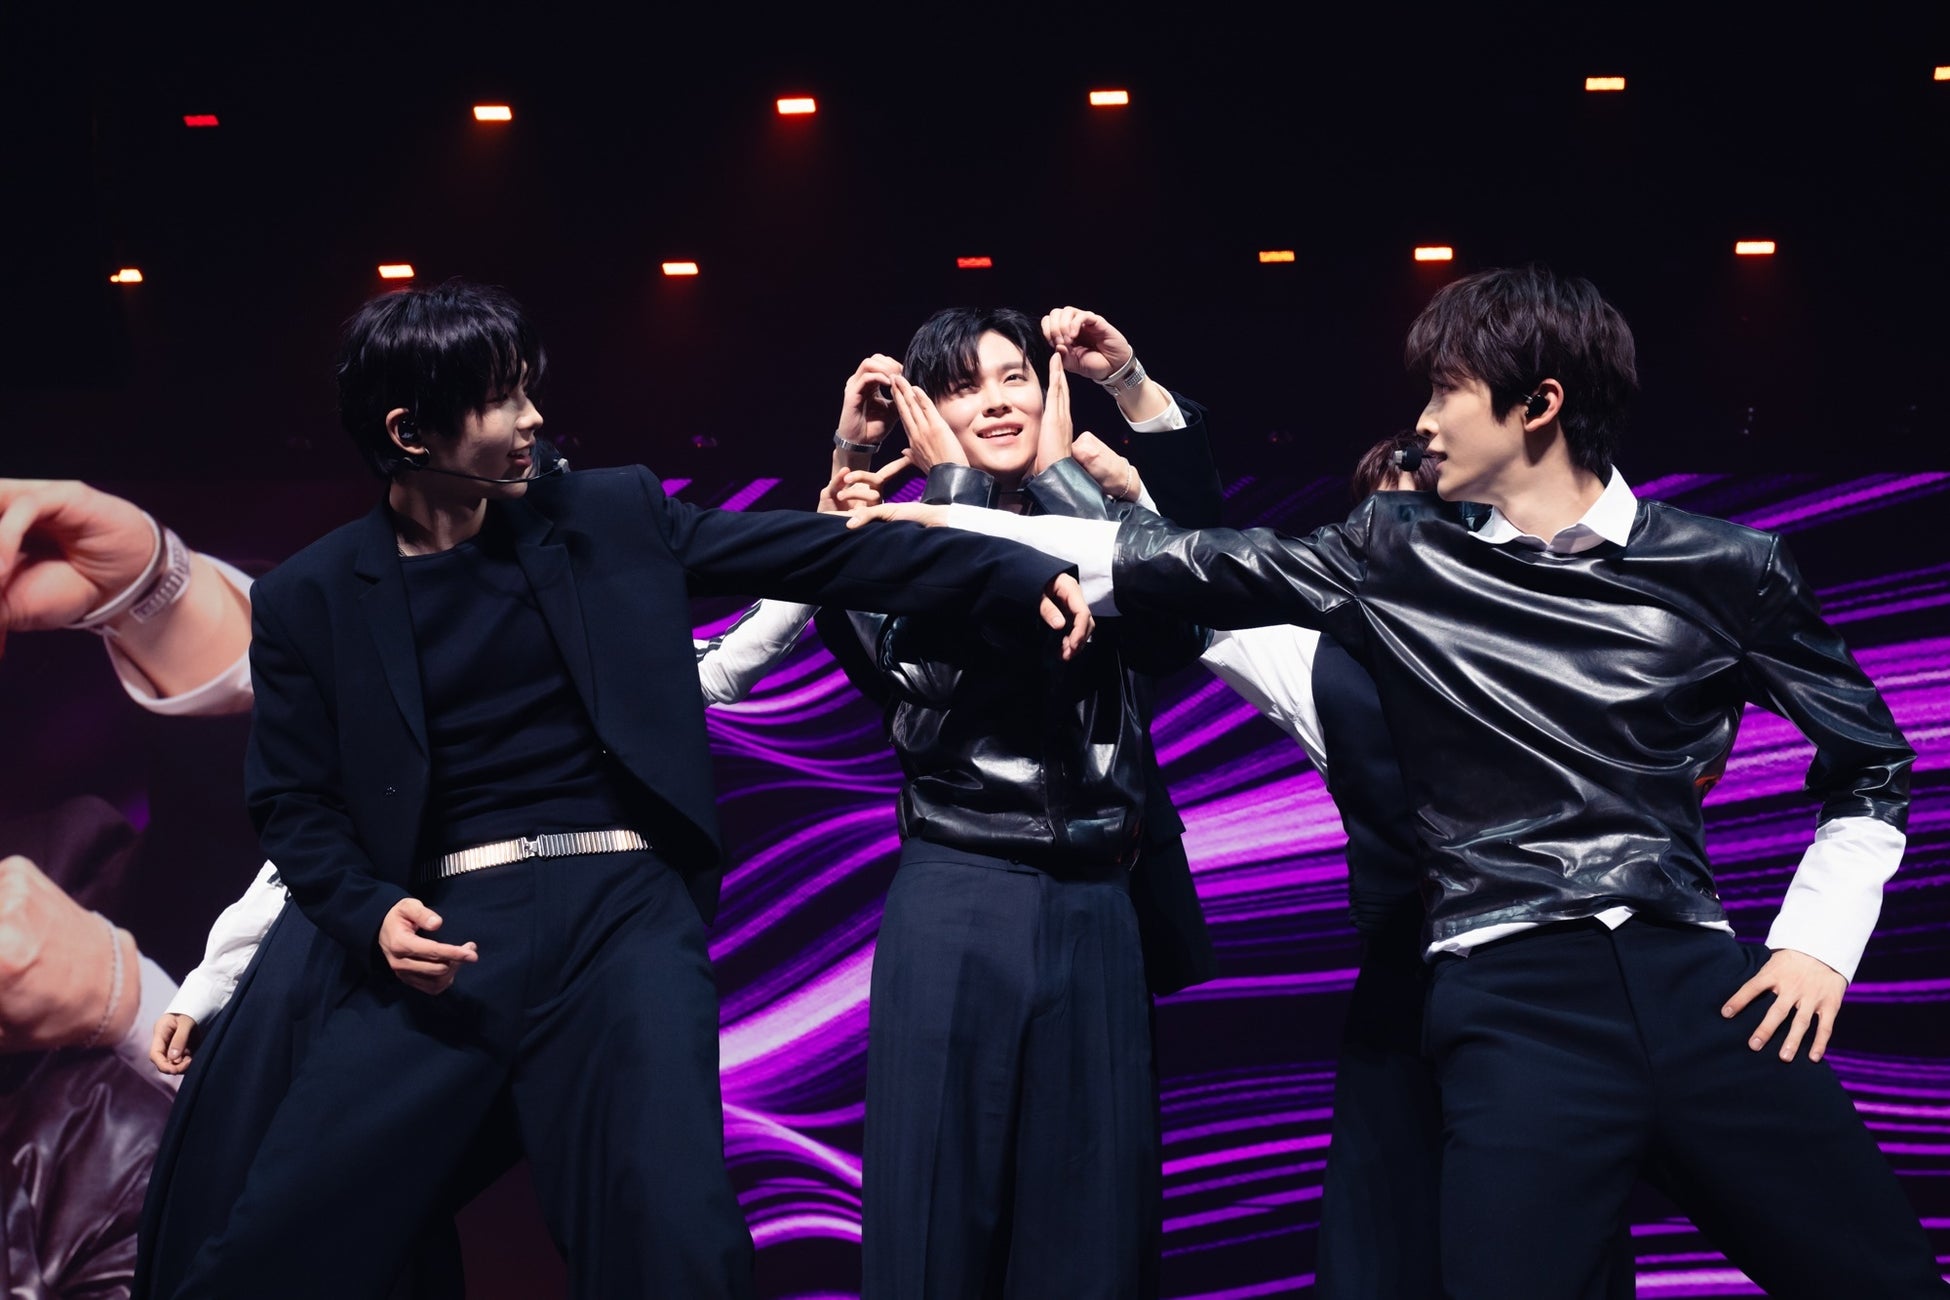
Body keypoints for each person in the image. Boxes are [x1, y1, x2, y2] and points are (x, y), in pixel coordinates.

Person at [850, 264, 1944, 1298]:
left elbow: (1873, 761)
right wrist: (967, 514)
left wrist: (1817, 943)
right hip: (1510, 1003)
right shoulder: (1401, 553)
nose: (1421, 421)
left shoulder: (1731, 566)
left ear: (1539, 405)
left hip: (1699, 985)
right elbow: (1183, 568)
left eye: (1446, 391)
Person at [175, 279, 1088, 1300]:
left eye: (529, 389)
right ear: (410, 431)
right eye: (502, 399)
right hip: (442, 939)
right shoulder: (308, 597)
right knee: (280, 1241)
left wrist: (1011, 574)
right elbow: (294, 803)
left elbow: (813, 553)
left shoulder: (608, 512)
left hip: (623, 921)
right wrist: (369, 913)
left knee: (675, 1243)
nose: (533, 418)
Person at [816, 305, 1205, 1297]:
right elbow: (926, 676)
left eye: (1014, 377)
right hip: (960, 891)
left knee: (1095, 1235)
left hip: (1098, 901)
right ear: (922, 417)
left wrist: (1064, 477)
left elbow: (1177, 629)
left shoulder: (1097, 513)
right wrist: (947, 490)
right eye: (962, 387)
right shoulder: (882, 536)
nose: (996, 402)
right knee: (936, 1225)